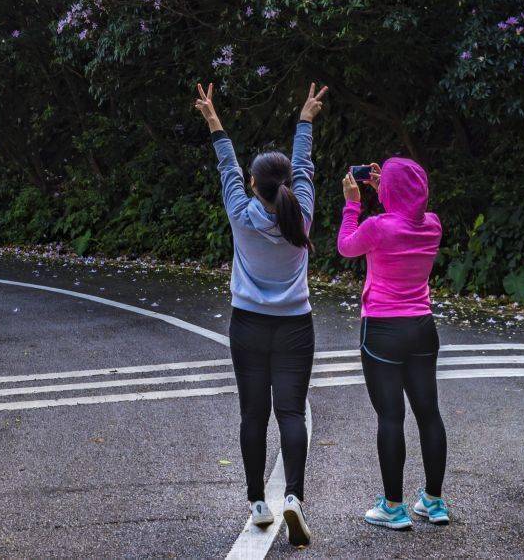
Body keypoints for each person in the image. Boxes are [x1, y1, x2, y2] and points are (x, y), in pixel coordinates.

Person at [193, 81, 324, 547]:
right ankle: (293, 498)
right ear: (288, 185)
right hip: (295, 327)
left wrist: (213, 119)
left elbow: (226, 163)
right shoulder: (301, 215)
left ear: (253, 184)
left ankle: (258, 503)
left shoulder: (239, 212)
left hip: (247, 325)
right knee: (291, 412)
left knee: (253, 414)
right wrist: (305, 119)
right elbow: (304, 164)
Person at [338, 156, 450, 529]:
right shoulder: (432, 225)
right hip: (422, 327)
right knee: (428, 413)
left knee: (391, 417)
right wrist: (386, 187)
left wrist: (353, 203)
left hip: (382, 331)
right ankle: (433, 502)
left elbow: (345, 246)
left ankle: (392, 506)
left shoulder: (376, 227)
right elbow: (409, 205)